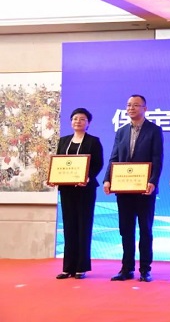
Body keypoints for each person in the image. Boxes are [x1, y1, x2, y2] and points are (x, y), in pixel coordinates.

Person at [103, 95, 164, 282]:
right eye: (129, 105)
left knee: (145, 230)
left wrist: (153, 181)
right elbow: (114, 157)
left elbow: (157, 158)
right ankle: (127, 268)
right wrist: (107, 180)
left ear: (145, 108)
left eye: (136, 105)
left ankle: (145, 269)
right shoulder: (121, 131)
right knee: (126, 229)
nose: (131, 108)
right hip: (124, 189)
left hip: (145, 189)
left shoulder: (154, 130)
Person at [53, 108, 104, 280]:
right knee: (68, 227)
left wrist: (88, 178)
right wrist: (54, 177)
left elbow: (98, 163)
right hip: (67, 189)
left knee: (83, 226)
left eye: (82, 119)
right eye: (75, 118)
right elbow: (59, 163)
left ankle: (81, 267)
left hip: (85, 189)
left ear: (88, 123)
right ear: (71, 122)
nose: (78, 121)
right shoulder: (63, 141)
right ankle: (68, 267)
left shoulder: (93, 141)